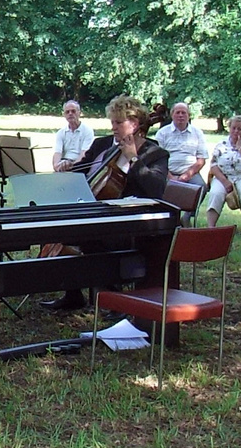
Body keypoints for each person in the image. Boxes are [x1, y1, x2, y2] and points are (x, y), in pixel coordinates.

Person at [47, 95, 172, 311]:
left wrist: (133, 158)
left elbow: (156, 188)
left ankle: (111, 298)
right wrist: (68, 168)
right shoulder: (102, 145)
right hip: (100, 212)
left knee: (88, 238)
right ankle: (73, 294)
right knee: (63, 228)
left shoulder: (155, 152)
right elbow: (82, 172)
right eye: (112, 122)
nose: (113, 127)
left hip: (132, 221)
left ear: (134, 124)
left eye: (118, 122)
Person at [204, 114, 241, 230]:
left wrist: (240, 148)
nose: (236, 131)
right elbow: (213, 165)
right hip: (223, 177)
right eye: (233, 128)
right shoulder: (221, 144)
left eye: (240, 129)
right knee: (216, 193)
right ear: (229, 128)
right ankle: (210, 227)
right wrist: (225, 182)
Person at [153, 102, 208, 184]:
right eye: (177, 112)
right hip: (167, 173)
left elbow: (201, 159)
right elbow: (156, 159)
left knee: (200, 187)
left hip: (191, 173)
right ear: (172, 115)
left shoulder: (197, 133)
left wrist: (187, 174)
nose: (180, 115)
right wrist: (170, 177)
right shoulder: (162, 133)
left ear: (188, 115)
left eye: (183, 113)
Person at [52, 100, 97, 172]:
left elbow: (84, 155)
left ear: (79, 113)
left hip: (80, 166)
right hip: (64, 164)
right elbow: (57, 153)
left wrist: (71, 166)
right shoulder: (61, 132)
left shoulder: (87, 131)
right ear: (64, 115)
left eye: (73, 111)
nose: (70, 114)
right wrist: (56, 166)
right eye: (67, 112)